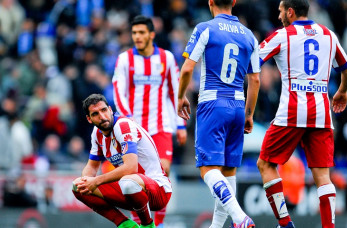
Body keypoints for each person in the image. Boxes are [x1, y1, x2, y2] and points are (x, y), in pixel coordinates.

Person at [257, 0, 347, 227]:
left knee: (265, 164)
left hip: (291, 114)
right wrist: (341, 92)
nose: (279, 15)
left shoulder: (282, 35)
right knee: (323, 177)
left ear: (290, 11)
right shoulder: (329, 35)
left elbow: (253, 61)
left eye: (280, 10)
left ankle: (285, 224)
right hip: (321, 115)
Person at [177, 0, 260, 227]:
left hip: (212, 103)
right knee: (228, 172)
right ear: (234, 2)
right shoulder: (249, 35)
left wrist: (180, 96)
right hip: (238, 106)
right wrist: (249, 114)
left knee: (208, 169)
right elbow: (255, 79)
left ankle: (240, 218)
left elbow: (186, 68)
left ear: (210, 2)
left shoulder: (205, 28)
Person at [112, 15, 187, 226]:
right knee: (134, 178)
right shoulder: (125, 59)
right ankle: (142, 223)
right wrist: (128, 121)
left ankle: (159, 223)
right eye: (134, 32)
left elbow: (176, 93)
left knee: (162, 171)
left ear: (151, 34)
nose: (137, 36)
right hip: (134, 128)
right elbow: (119, 93)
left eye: (141, 32)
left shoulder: (167, 59)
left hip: (160, 125)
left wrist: (180, 124)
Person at [72, 94, 172, 228]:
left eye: (103, 110)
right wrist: (87, 182)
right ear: (89, 119)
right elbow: (91, 167)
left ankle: (147, 225)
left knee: (128, 182)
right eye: (95, 114)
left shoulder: (123, 126)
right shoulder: (97, 133)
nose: (102, 117)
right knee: (78, 186)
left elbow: (131, 168)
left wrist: (95, 182)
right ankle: (125, 225)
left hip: (157, 191)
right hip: (130, 193)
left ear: (110, 109)